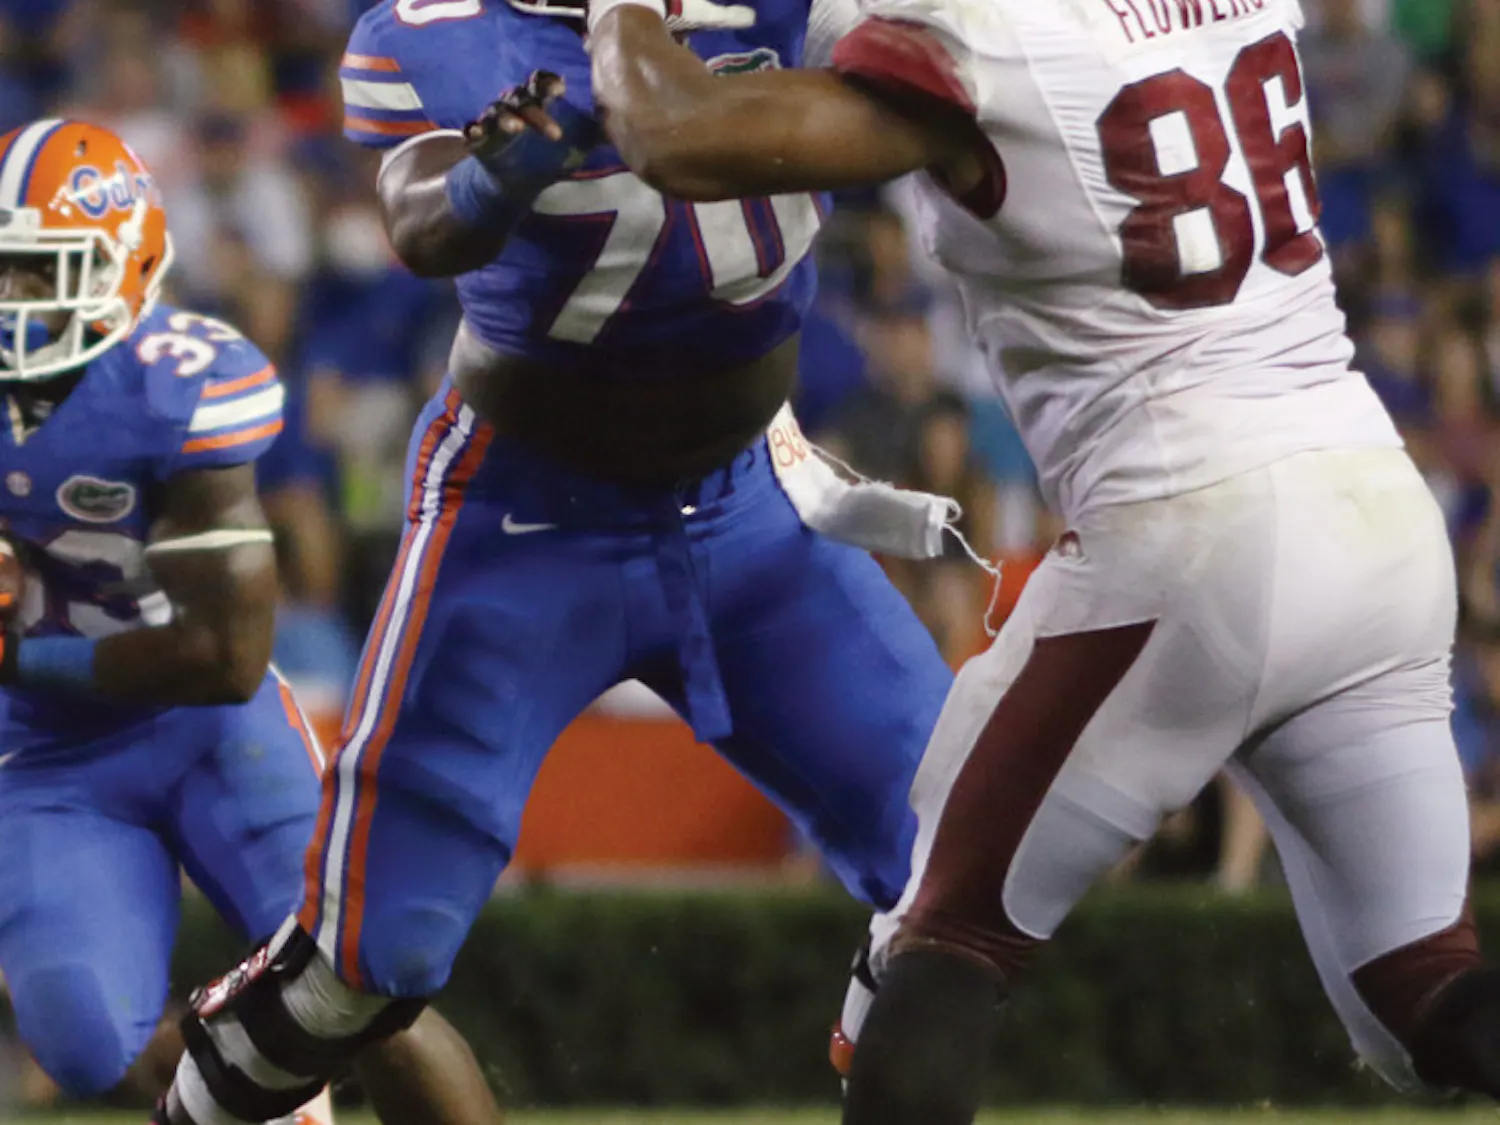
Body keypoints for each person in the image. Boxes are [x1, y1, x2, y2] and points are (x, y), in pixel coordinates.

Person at [585, 0, 1500, 1121]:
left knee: (940, 945)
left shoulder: (982, 34)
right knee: (1433, 992)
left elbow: (678, 138)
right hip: (1373, 511)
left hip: (1192, 525)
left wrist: (617, 15)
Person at [153, 0, 959, 1119]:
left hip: (748, 503)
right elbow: (419, 219)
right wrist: (491, 177)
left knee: (960, 875)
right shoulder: (441, 28)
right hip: (523, 519)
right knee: (364, 966)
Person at [0, 118, 500, 1125]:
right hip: (44, 764)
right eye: (3, 273)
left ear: (122, 266)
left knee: (366, 996)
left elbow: (225, 659)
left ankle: (287, 1065)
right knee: (90, 1036)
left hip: (207, 726)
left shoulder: (180, 384)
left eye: (37, 273)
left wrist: (20, 652)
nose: (13, 303)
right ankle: (284, 1100)